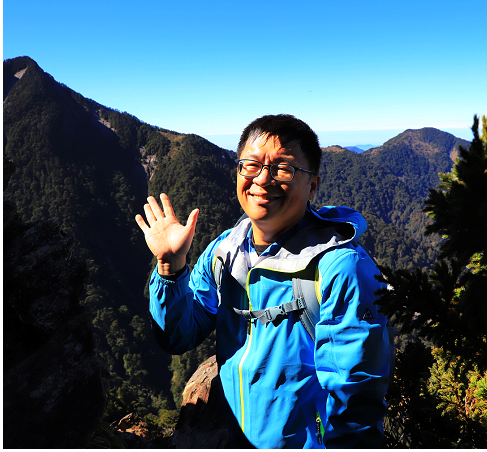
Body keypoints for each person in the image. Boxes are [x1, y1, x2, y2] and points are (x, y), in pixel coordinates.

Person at [135, 114, 392, 448]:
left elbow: (356, 401)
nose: (263, 179)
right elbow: (178, 336)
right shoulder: (224, 252)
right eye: (251, 165)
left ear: (312, 184)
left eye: (283, 168)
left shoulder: (340, 270)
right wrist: (171, 266)